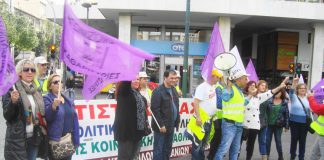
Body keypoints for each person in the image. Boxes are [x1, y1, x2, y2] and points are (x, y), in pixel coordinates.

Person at [2, 59, 47, 160]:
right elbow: (7, 115)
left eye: (32, 70)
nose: (30, 72)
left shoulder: (36, 90)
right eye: (26, 69)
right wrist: (13, 102)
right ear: (20, 72)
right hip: (18, 139)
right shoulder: (11, 89)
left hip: (34, 137)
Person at [240, 78, 288, 160]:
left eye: (254, 86)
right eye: (251, 85)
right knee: (238, 144)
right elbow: (243, 103)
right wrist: (251, 94)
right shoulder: (242, 96)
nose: (253, 87)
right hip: (244, 124)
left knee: (253, 144)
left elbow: (270, 93)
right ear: (247, 87)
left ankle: (252, 158)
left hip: (256, 124)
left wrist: (280, 87)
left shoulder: (258, 97)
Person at [185, 69, 222, 160]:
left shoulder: (213, 87)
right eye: (218, 77)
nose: (219, 79)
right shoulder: (202, 87)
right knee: (197, 144)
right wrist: (198, 117)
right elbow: (196, 102)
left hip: (208, 119)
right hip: (202, 120)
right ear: (212, 76)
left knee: (203, 144)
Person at [214, 70, 249, 160]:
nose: (247, 81)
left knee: (235, 150)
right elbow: (225, 97)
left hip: (238, 125)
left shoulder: (239, 91)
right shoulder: (230, 88)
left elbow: (242, 103)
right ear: (239, 79)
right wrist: (229, 85)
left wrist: (251, 95)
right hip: (230, 124)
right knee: (224, 149)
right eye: (245, 79)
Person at [43, 74, 80, 160]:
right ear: (50, 86)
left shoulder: (67, 99)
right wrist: (53, 106)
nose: (59, 84)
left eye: (61, 81)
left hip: (68, 141)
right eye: (56, 82)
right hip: (57, 142)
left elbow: (73, 117)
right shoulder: (47, 98)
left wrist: (75, 138)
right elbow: (48, 117)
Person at [113, 76, 150, 159]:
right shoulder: (124, 92)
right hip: (126, 133)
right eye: (133, 79)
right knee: (125, 157)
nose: (136, 81)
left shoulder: (137, 93)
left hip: (137, 131)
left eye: (137, 79)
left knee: (134, 157)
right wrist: (129, 70)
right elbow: (125, 83)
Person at [151, 70, 180, 160]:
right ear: (165, 77)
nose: (174, 80)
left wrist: (177, 121)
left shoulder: (173, 89)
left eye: (175, 78)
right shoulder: (158, 91)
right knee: (159, 150)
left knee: (167, 149)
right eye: (171, 78)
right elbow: (155, 110)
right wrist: (161, 125)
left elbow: (176, 106)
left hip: (171, 125)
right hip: (161, 128)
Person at [289, 77, 311, 160]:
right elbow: (291, 91)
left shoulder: (308, 98)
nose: (302, 89)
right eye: (301, 88)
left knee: (302, 141)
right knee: (294, 140)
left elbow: (310, 111)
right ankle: (292, 156)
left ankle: (301, 157)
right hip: (294, 122)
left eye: (304, 88)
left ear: (306, 90)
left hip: (304, 123)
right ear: (297, 90)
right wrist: (294, 83)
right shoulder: (294, 97)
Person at [266, 89, 289, 160]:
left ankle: (280, 156)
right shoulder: (269, 101)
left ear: (282, 94)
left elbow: (286, 115)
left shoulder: (284, 102)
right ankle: (266, 156)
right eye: (276, 92)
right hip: (268, 125)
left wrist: (286, 126)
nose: (277, 93)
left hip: (278, 125)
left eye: (279, 92)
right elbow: (265, 112)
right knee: (267, 141)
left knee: (278, 141)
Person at [308, 92, 324, 160]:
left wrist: (311, 97)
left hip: (323, 133)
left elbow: (318, 108)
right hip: (321, 133)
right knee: (315, 153)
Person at [257, 80, 271, 160]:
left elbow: (269, 110)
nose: (263, 87)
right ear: (258, 85)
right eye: (262, 85)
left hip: (263, 121)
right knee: (250, 141)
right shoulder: (253, 94)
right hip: (253, 121)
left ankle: (264, 157)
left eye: (265, 86)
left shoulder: (267, 96)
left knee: (262, 141)